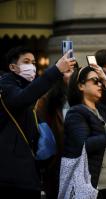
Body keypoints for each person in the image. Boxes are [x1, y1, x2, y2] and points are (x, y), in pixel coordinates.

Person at [0, 46, 75, 198]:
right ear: (13, 67)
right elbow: (22, 98)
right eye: (26, 62)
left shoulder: (27, 87)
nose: (32, 66)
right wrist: (56, 70)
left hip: (28, 172)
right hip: (11, 177)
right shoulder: (6, 87)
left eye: (33, 62)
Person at [62, 65, 106, 199]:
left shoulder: (102, 109)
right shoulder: (76, 113)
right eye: (95, 81)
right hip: (91, 186)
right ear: (81, 86)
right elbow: (83, 145)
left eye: (100, 81)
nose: (100, 84)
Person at [35, 61, 78, 199]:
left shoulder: (82, 96)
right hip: (57, 160)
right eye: (67, 71)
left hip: (80, 158)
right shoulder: (48, 99)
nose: (71, 75)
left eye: (74, 71)